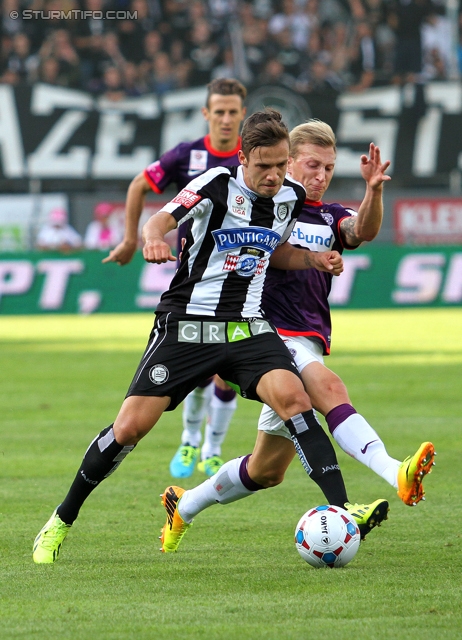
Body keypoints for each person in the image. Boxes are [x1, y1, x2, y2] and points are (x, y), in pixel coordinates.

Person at [32, 109, 386, 563]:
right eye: (264, 167)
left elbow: (274, 247)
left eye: (281, 165)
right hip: (187, 325)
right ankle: (61, 519)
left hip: (246, 326)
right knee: (129, 428)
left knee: (295, 398)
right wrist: (153, 240)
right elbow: (159, 220)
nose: (275, 176)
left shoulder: (290, 195)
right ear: (243, 158)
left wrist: (312, 260)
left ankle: (341, 506)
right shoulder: (214, 183)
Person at [157, 121, 435, 555]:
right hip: (259, 335)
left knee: (267, 470)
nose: (320, 175)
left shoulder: (328, 214)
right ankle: (392, 472)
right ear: (288, 162)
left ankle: (184, 506)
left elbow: (360, 232)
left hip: (307, 337)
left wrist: (373, 191)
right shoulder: (267, 206)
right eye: (312, 165)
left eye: (328, 167)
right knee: (328, 386)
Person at [103, 78, 248, 479]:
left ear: (242, 114)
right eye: (218, 111)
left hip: (240, 278)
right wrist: (132, 238)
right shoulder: (188, 155)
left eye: (233, 111)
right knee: (199, 370)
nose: (225, 118)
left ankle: (213, 448)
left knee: (226, 373)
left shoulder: (254, 158)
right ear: (206, 114)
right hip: (196, 279)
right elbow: (138, 185)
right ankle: (189, 443)